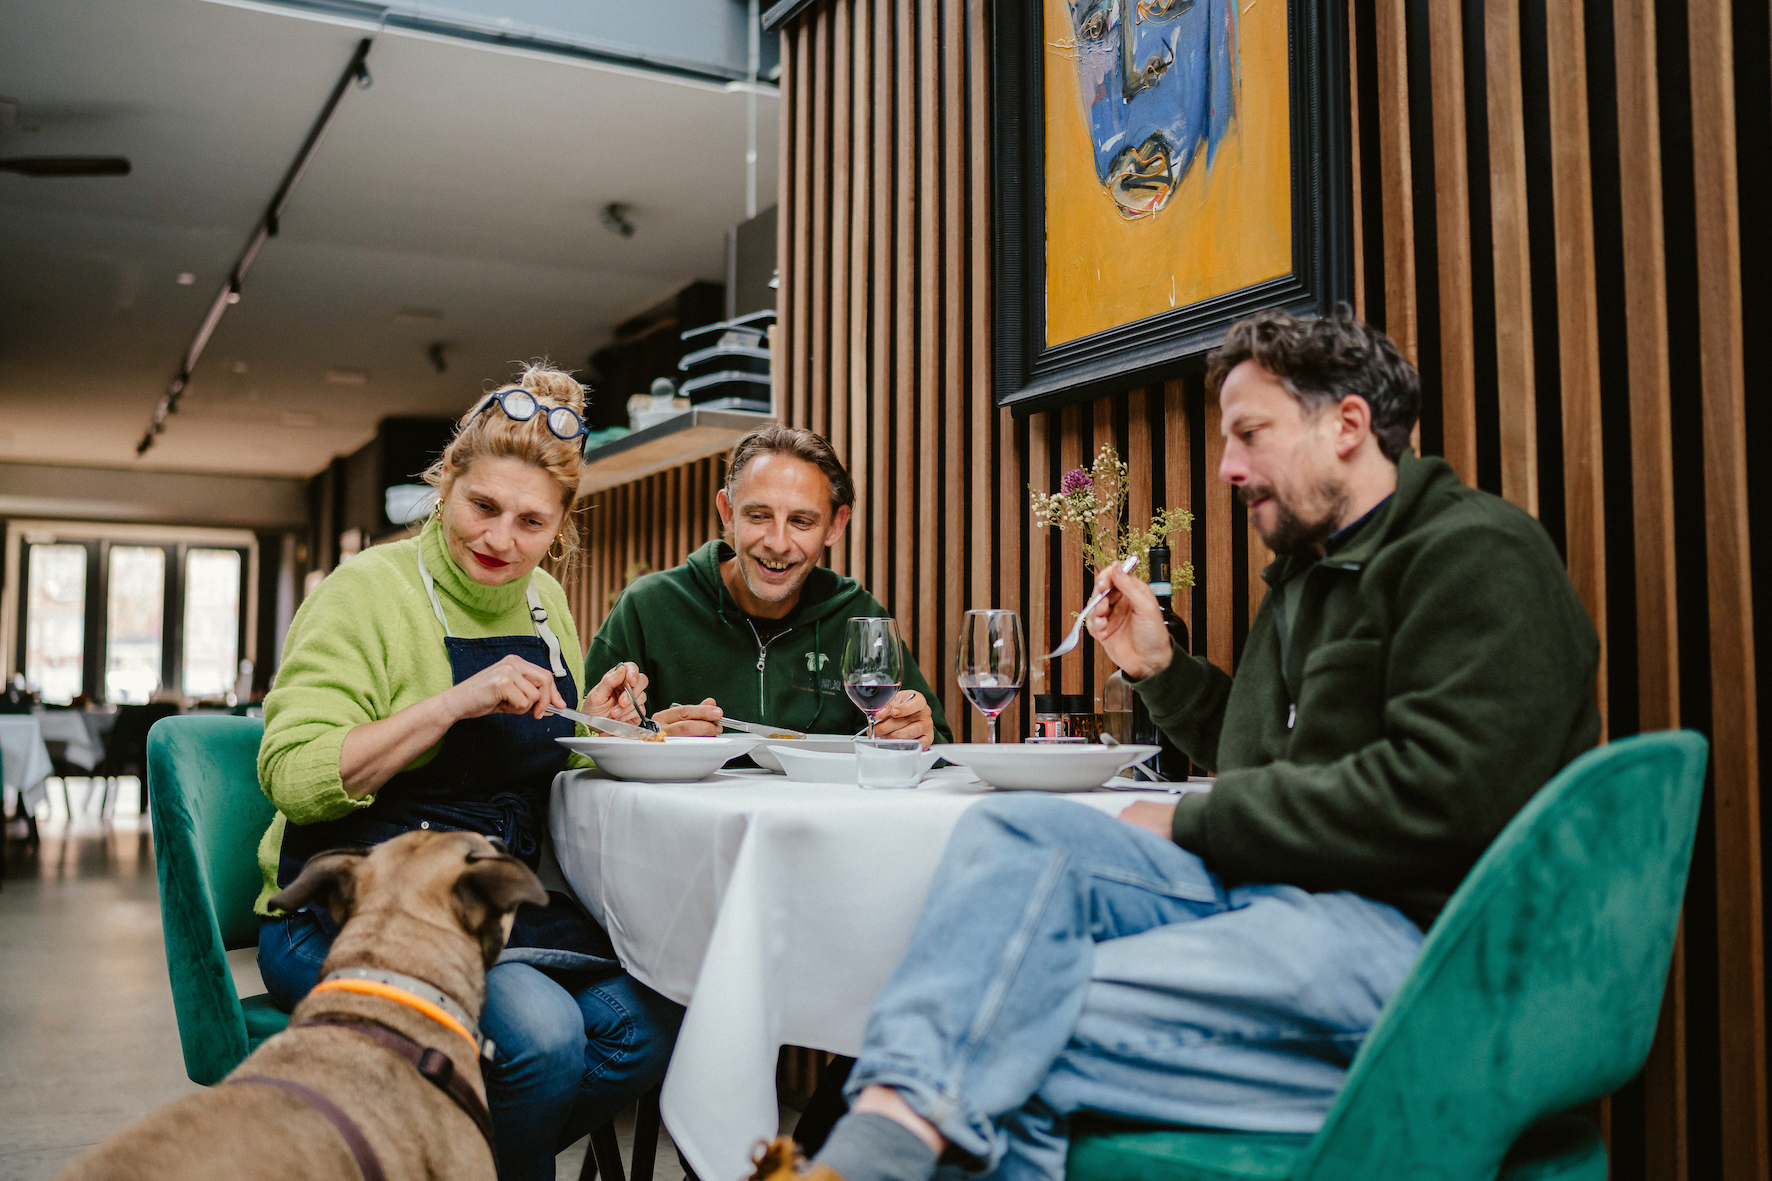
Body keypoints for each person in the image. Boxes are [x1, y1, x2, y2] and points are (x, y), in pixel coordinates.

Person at [750, 308, 1602, 1181]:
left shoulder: (1476, 552)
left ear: (1347, 424)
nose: (1228, 466)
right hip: (1293, 895)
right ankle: (882, 1147)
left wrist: (1198, 823)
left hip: (1428, 939)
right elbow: (1264, 759)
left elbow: (1450, 793)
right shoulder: (1309, 575)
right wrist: (1160, 669)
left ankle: (868, 1153)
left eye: (1249, 434)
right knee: (1017, 830)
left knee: (1013, 1016)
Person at [255, 363, 682, 1181]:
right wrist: (450, 703)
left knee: (653, 1017)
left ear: (559, 525)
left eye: (530, 522)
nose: (500, 540)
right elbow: (293, 772)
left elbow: (539, 749)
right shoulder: (365, 592)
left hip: (487, 901)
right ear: (445, 483)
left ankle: (444, 1157)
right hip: (349, 906)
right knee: (544, 1038)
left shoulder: (543, 600)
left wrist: (600, 721)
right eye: (483, 506)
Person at [586, 425, 950, 748]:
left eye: (801, 521)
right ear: (727, 512)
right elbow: (579, 741)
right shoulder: (648, 607)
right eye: (758, 516)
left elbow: (935, 745)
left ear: (836, 526)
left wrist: (915, 732)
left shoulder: (860, 616)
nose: (778, 543)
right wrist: (648, 737)